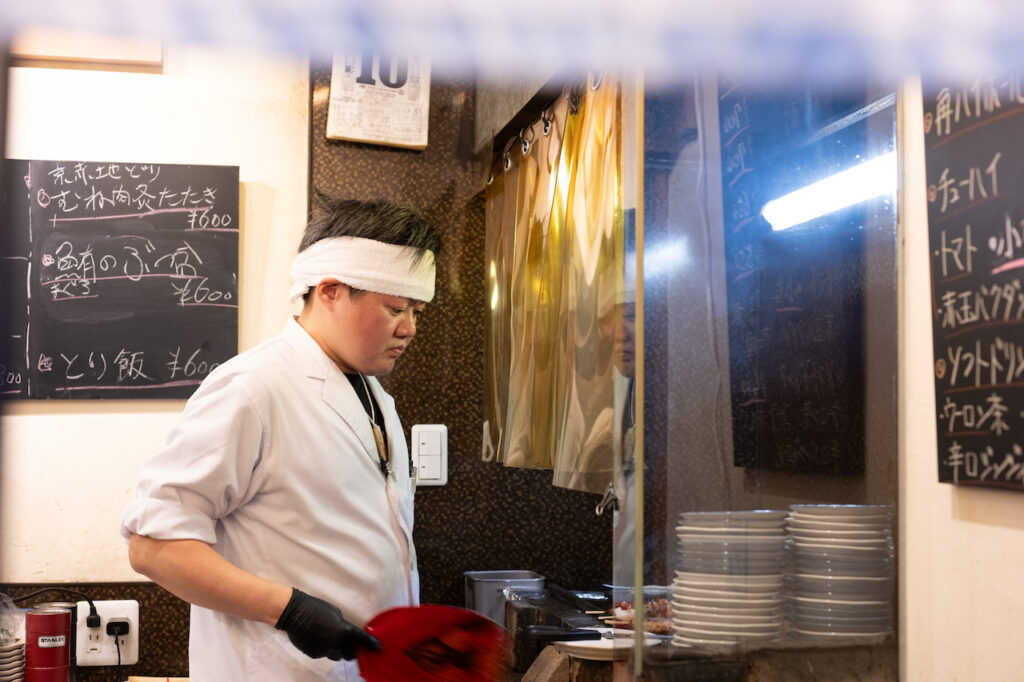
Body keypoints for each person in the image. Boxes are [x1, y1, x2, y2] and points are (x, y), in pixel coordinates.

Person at [120, 195, 441, 681]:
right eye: (396, 308)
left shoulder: (373, 395)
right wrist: (289, 610)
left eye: (417, 309)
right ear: (330, 290)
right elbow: (153, 545)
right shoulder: (252, 387)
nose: (411, 328)